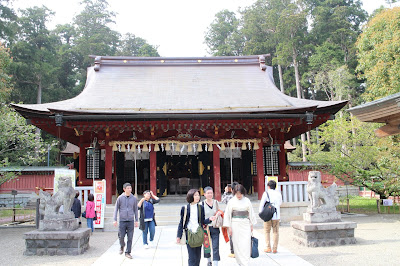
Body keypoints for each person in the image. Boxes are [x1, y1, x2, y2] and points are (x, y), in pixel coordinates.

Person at [176, 189, 216, 266]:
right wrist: (179, 236)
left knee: (198, 257)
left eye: (198, 195)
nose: (197, 197)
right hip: (189, 234)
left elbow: (202, 221)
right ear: (191, 196)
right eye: (195, 195)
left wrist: (209, 219)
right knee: (192, 257)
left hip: (199, 233)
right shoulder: (185, 208)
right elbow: (181, 223)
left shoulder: (201, 207)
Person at [223, 184, 257, 266]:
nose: (239, 195)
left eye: (240, 193)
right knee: (237, 244)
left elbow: (251, 213)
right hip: (235, 224)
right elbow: (228, 214)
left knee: (246, 244)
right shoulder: (231, 201)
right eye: (237, 193)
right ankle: (240, 262)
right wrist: (229, 227)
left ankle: (246, 262)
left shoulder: (247, 201)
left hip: (245, 223)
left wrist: (251, 224)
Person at [113, 183, 139, 259]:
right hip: (122, 220)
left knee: (130, 237)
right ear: (124, 189)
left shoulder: (134, 198)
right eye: (128, 188)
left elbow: (136, 210)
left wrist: (136, 220)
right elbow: (116, 209)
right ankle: (122, 245)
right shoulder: (120, 198)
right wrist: (115, 219)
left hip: (130, 220)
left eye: (130, 188)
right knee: (121, 236)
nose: (130, 190)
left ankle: (128, 252)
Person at [259, 180, 282, 253]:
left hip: (268, 214)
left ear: (268, 186)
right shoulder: (278, 193)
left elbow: (262, 204)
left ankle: (268, 247)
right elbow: (280, 203)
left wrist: (260, 212)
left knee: (267, 231)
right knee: (275, 231)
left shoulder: (266, 193)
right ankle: (275, 248)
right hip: (276, 214)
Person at [202, 186, 221, 266]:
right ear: (204, 194)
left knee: (215, 246)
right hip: (205, 227)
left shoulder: (216, 202)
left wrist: (219, 213)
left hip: (215, 226)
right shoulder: (201, 204)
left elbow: (219, 211)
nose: (210, 195)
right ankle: (209, 261)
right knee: (207, 245)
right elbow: (201, 218)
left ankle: (215, 263)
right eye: (208, 193)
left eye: (211, 193)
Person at [221, 184, 235, 258]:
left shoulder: (230, 196)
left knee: (231, 233)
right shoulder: (240, 197)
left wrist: (225, 192)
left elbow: (223, 200)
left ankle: (233, 250)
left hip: (231, 217)